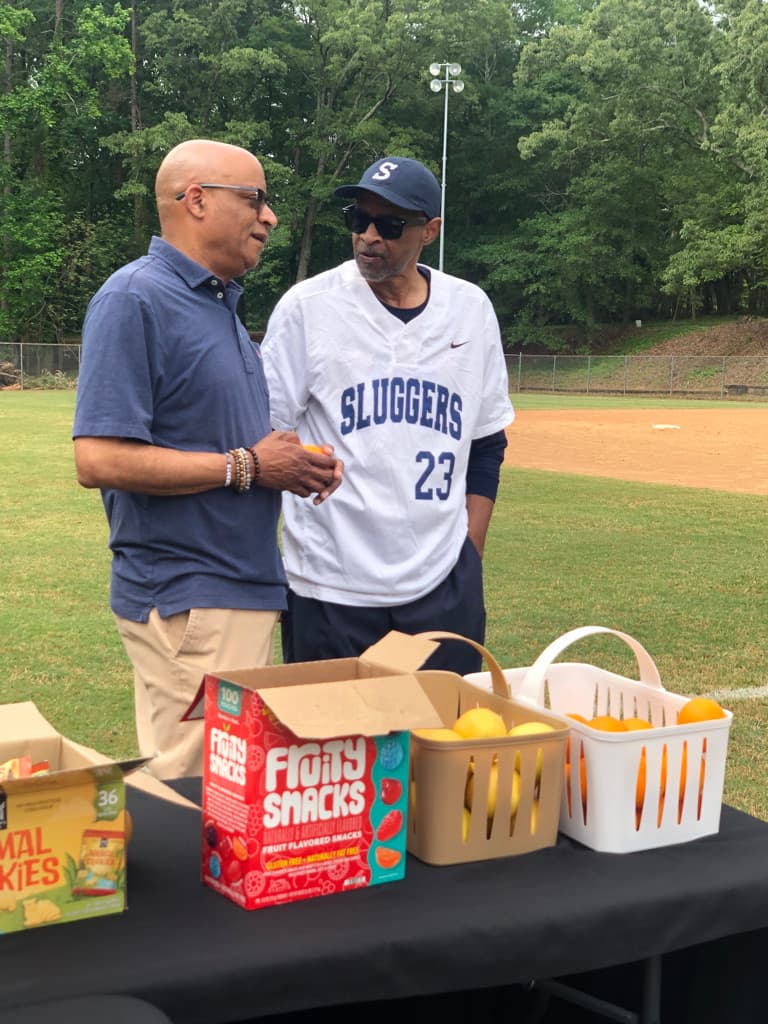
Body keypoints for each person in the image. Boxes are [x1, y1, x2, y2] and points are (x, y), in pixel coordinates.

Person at [72, 139, 342, 780]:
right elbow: (100, 458)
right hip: (190, 596)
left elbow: (225, 444)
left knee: (230, 789)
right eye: (255, 199)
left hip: (236, 590)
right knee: (194, 793)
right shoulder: (135, 298)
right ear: (196, 200)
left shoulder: (216, 303)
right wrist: (248, 466)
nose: (269, 217)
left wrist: (288, 466)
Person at [261, 155, 514, 675]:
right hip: (330, 587)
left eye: (390, 224)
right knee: (335, 751)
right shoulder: (308, 308)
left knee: (443, 748)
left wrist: (469, 552)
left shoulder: (470, 308)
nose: (369, 236)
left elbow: (487, 443)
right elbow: (269, 436)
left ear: (430, 231)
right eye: (359, 219)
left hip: (443, 585)